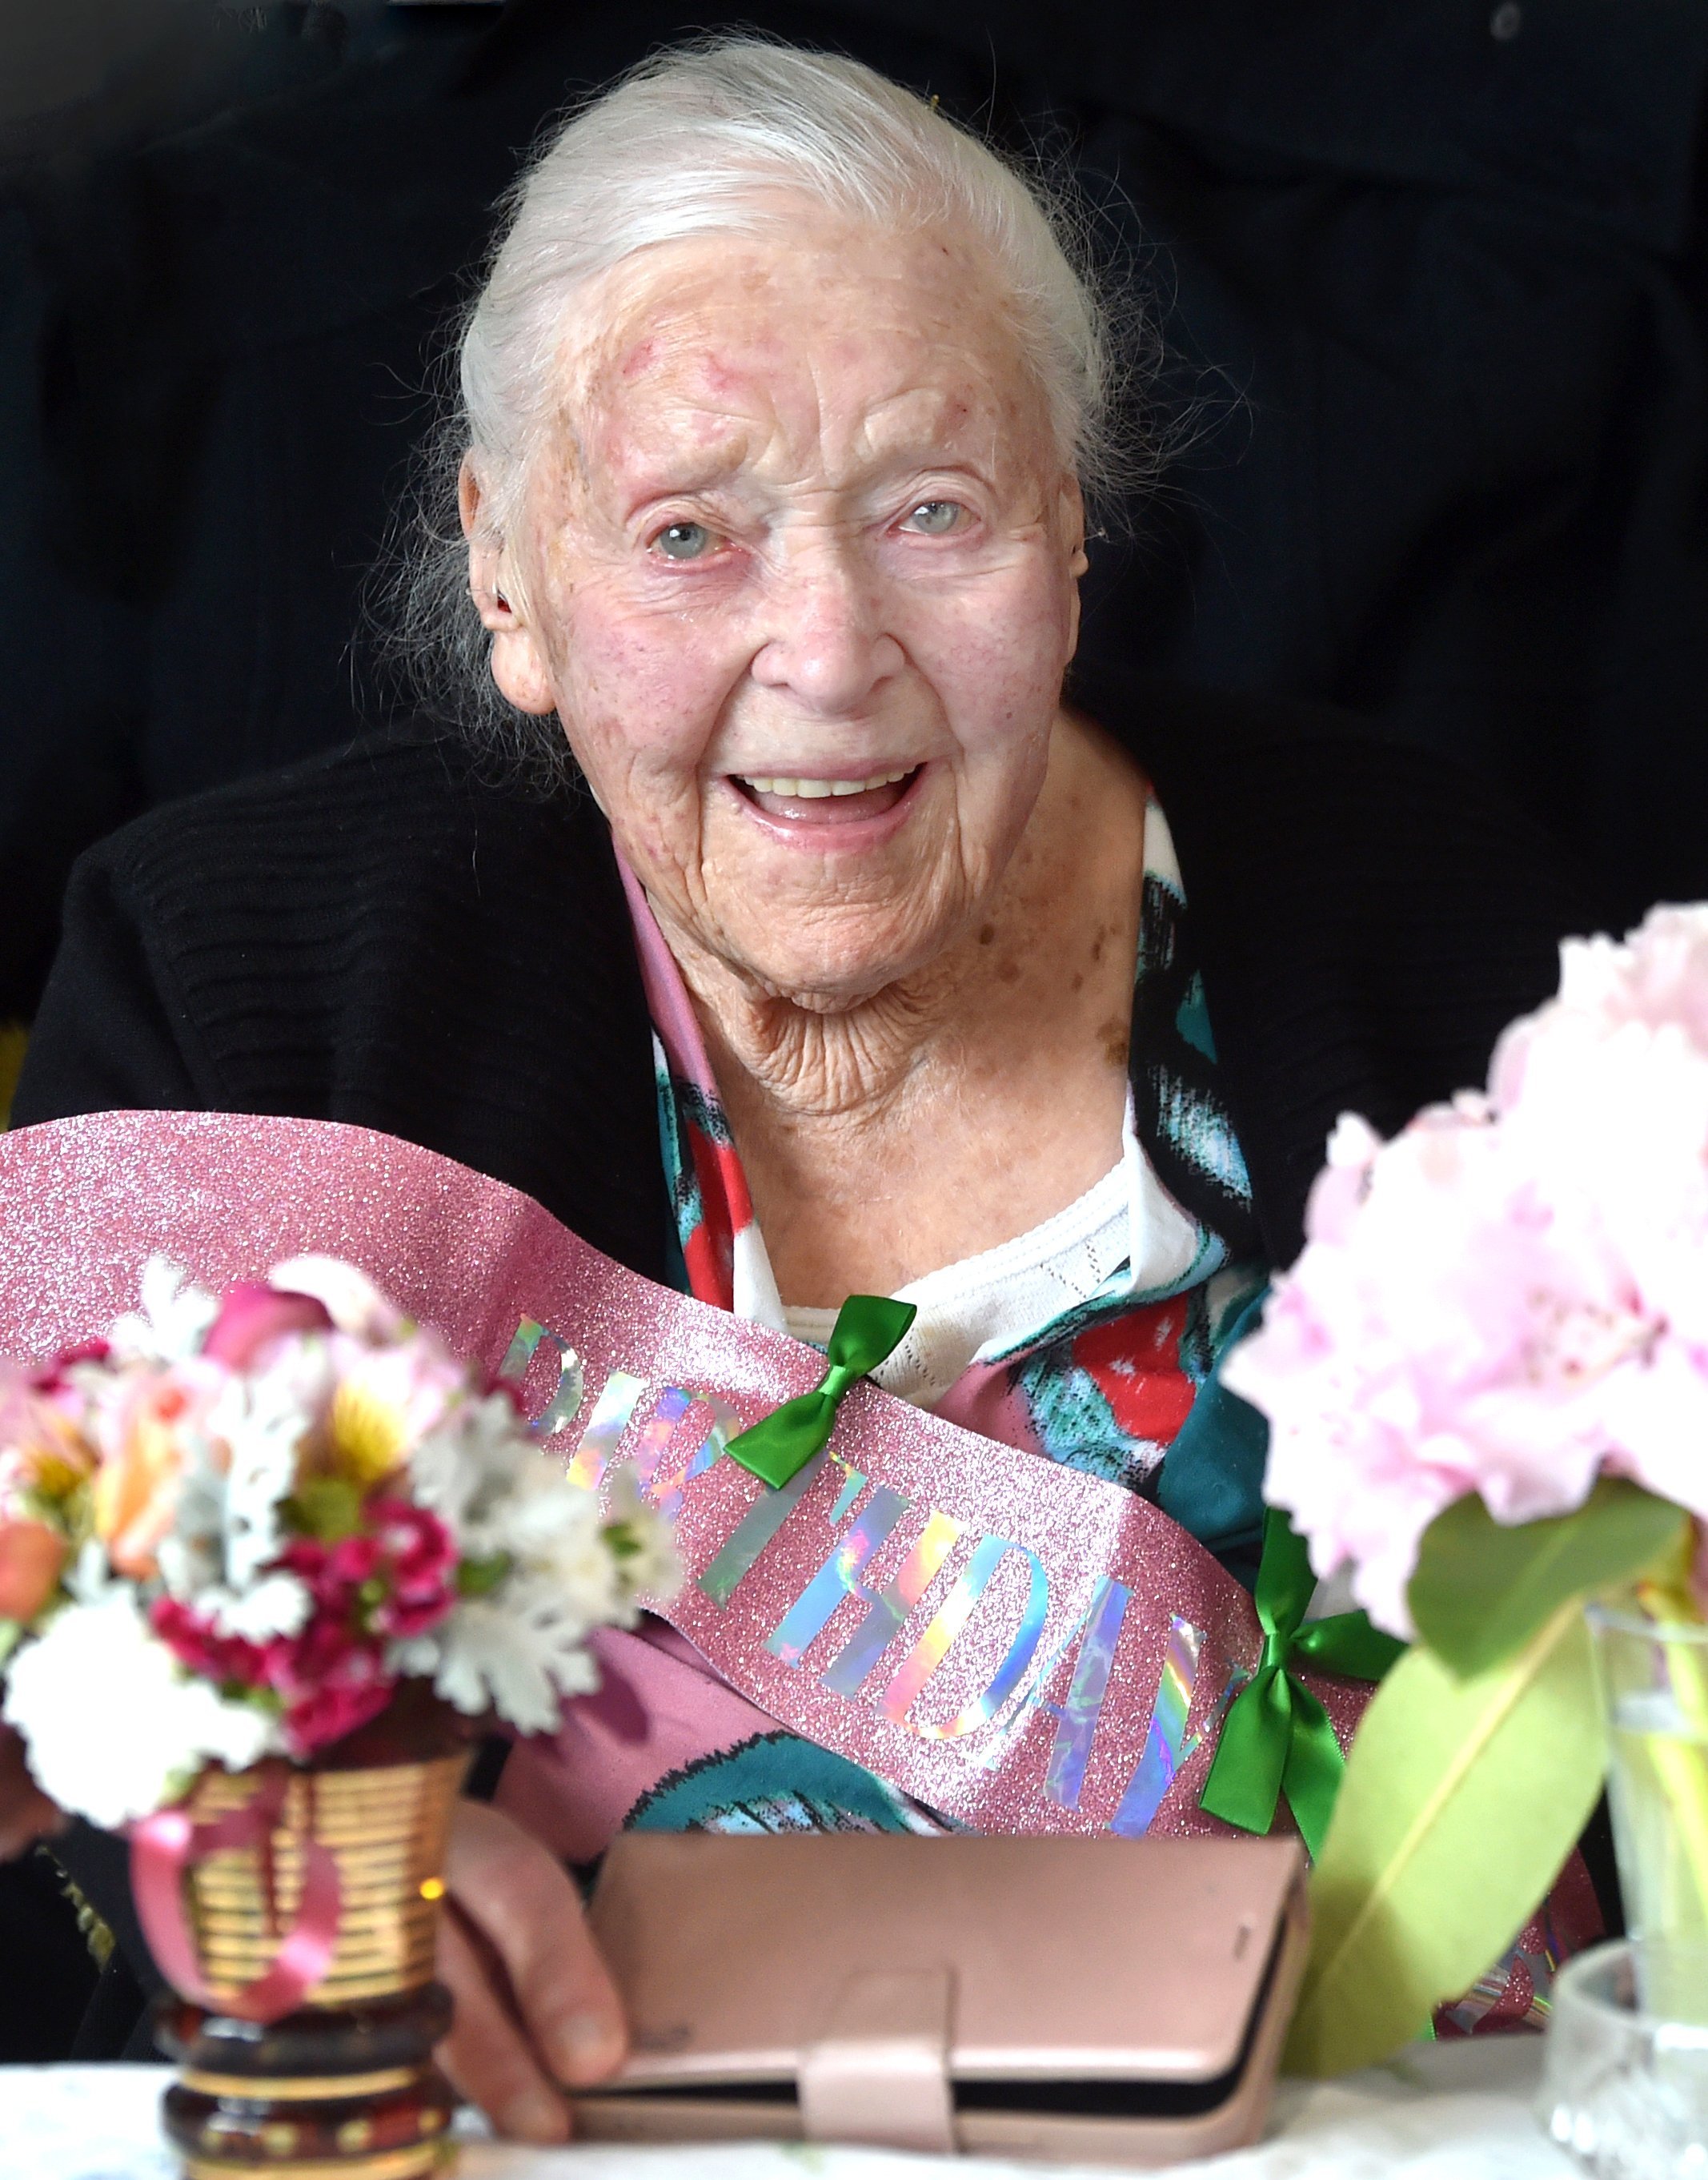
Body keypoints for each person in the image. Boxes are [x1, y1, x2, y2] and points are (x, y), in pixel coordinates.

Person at [9, 39, 1588, 2138]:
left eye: (934, 509)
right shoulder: (239, 989)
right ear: (511, 572)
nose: (831, 648)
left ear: (1072, 533)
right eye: (689, 533)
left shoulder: (1453, 932)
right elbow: (53, 1782)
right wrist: (231, 1883)